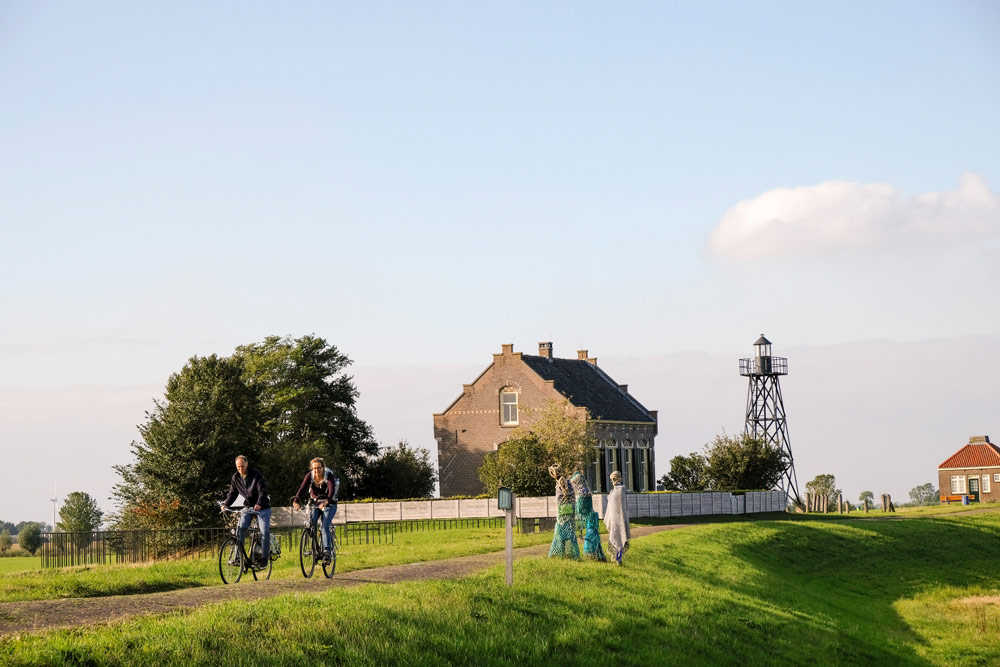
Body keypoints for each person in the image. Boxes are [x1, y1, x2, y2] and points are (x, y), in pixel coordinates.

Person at [221, 455, 272, 567]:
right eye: (238, 467)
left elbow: (262, 491)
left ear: (247, 464)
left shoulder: (255, 474)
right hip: (248, 507)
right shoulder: (235, 477)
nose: (240, 469)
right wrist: (226, 504)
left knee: (264, 531)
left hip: (262, 507)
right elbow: (232, 493)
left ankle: (264, 558)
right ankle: (238, 557)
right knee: (240, 529)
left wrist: (259, 503)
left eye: (242, 466)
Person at [292, 457, 340, 564]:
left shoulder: (329, 475)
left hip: (329, 504)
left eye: (319, 468)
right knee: (311, 523)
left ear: (323, 468)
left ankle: (327, 552)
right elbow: (302, 489)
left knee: (324, 526)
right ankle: (316, 550)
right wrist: (296, 501)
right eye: (314, 468)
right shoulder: (310, 476)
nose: (316, 471)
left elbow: (331, 491)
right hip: (316, 503)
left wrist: (326, 501)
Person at [570, 470, 606, 562]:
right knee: (594, 538)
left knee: (590, 540)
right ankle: (598, 556)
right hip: (592, 518)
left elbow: (581, 511)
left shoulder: (582, 493)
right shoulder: (587, 491)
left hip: (590, 520)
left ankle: (592, 556)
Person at [548, 463, 580, 559]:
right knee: (570, 532)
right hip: (570, 510)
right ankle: (572, 553)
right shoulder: (568, 482)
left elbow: (559, 502)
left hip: (562, 512)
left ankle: (559, 553)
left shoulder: (559, 485)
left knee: (560, 534)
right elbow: (573, 497)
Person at [603, 470, 631, 565]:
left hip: (621, 519)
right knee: (615, 540)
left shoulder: (621, 490)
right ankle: (618, 560)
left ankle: (619, 559)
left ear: (615, 479)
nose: (611, 481)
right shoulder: (613, 491)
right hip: (615, 519)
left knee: (620, 540)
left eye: (612, 479)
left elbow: (621, 505)